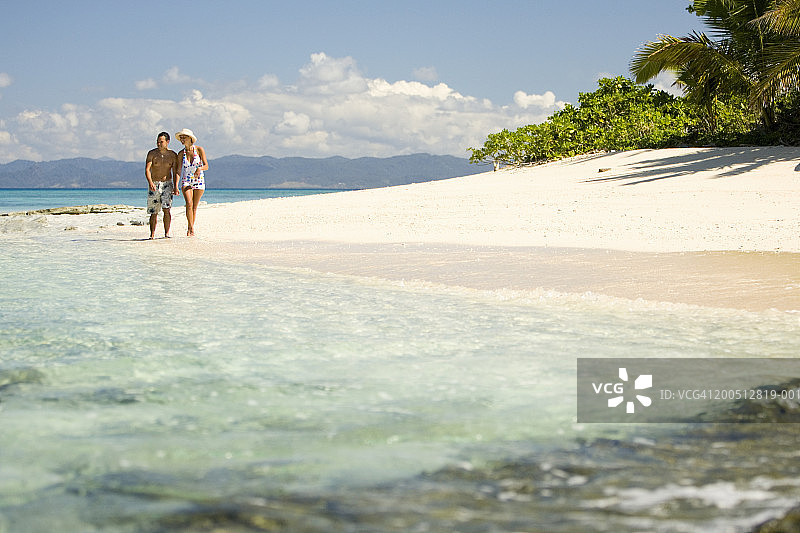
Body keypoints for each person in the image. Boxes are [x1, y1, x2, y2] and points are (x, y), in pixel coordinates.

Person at [144, 132, 179, 239]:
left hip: (167, 184)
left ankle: (166, 233)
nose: (159, 144)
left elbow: (175, 172)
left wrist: (176, 186)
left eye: (161, 142)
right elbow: (147, 169)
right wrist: (150, 182)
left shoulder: (173, 155)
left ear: (167, 142)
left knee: (166, 209)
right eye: (157, 142)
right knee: (153, 211)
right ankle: (152, 234)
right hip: (154, 183)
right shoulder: (152, 153)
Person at [175, 128, 208, 236]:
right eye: (181, 137)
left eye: (184, 137)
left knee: (194, 206)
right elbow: (178, 170)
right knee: (189, 204)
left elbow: (206, 165)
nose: (182, 139)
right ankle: (191, 228)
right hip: (186, 180)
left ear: (190, 138)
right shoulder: (181, 154)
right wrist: (176, 185)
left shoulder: (199, 150)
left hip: (199, 180)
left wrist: (200, 169)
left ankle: (190, 229)